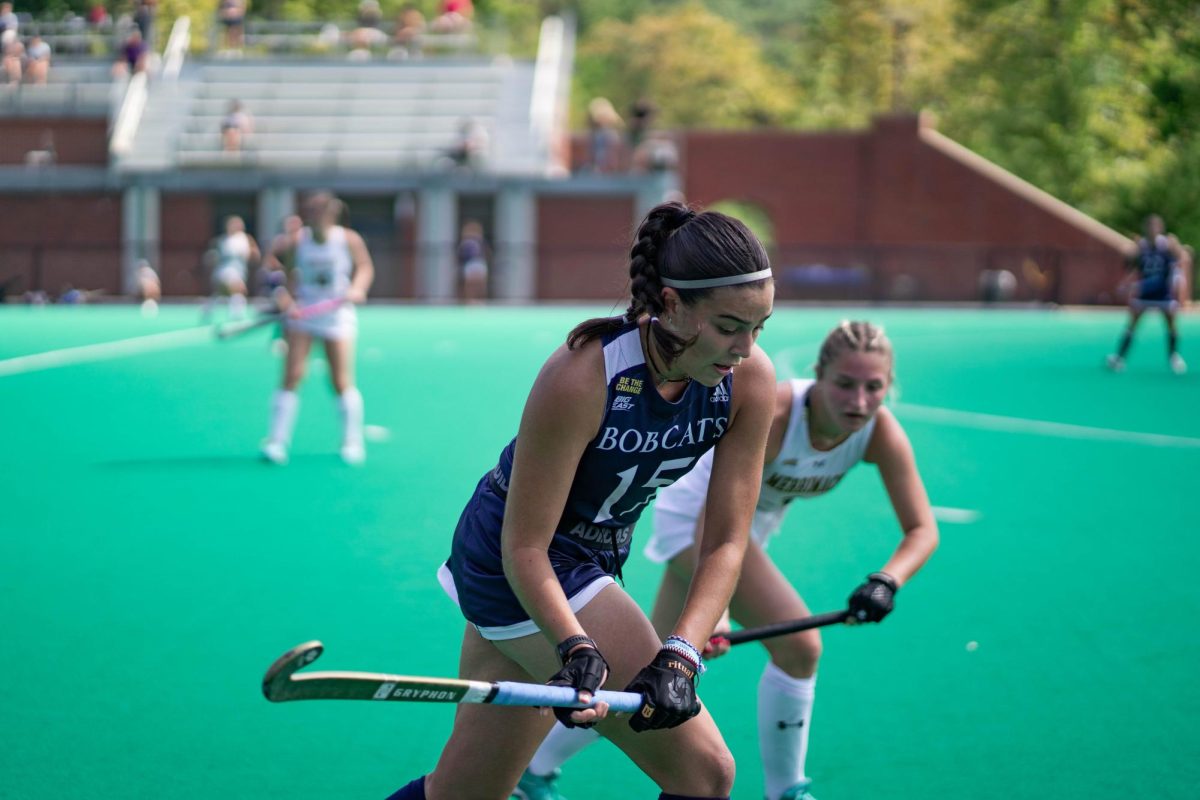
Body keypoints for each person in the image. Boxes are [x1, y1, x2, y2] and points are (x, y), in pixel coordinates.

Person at [383, 201, 777, 800]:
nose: (745, 348)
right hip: (516, 556)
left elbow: (726, 540)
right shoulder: (583, 376)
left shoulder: (746, 383)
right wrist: (574, 644)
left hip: (589, 560)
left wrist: (680, 654)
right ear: (671, 304)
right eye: (728, 327)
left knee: (464, 793)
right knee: (705, 775)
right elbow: (526, 544)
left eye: (758, 328)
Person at [517, 320, 940, 800]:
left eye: (873, 387)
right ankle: (788, 791)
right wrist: (711, 614)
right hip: (698, 525)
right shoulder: (781, 415)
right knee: (801, 648)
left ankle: (535, 770)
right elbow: (712, 534)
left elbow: (922, 530)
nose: (858, 401)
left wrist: (887, 580)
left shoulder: (878, 431)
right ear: (819, 374)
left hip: (737, 538)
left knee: (645, 677)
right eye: (844, 384)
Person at [261, 192, 374, 466]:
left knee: (340, 380)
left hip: (337, 315)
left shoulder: (348, 240)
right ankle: (277, 440)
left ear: (332, 214)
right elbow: (282, 276)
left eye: (322, 210)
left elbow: (364, 267)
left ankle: (351, 440)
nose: (316, 215)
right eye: (313, 210)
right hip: (304, 314)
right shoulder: (297, 241)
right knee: (292, 375)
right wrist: (286, 301)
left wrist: (357, 288)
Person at [1107, 214, 1187, 375]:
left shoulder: (1167, 245)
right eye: (1149, 226)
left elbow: (1180, 260)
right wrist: (1130, 252)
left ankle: (1174, 357)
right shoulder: (1140, 246)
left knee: (1171, 324)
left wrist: (1176, 247)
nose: (1152, 229)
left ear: (1160, 228)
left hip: (1162, 292)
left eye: (1155, 226)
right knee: (1131, 325)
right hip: (1144, 292)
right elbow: (1129, 266)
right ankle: (1119, 358)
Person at [201, 215, 259, 322]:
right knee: (238, 288)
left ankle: (208, 309)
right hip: (226, 270)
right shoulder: (223, 240)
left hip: (240, 270)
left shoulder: (246, 239)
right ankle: (237, 314)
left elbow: (255, 255)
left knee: (223, 292)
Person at [457, 219, 489, 303]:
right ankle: (470, 299)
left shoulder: (481, 242)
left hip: (479, 263)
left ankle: (481, 299)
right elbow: (461, 255)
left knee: (480, 284)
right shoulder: (465, 243)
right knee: (470, 284)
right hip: (470, 264)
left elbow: (486, 253)